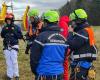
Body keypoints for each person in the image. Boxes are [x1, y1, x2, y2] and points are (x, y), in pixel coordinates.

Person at [30, 10, 69, 80]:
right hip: (59, 74)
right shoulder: (64, 39)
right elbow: (64, 57)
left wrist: (35, 71)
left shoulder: (41, 37)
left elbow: (34, 57)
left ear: (45, 22)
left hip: (43, 73)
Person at [68, 9, 97, 80]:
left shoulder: (83, 31)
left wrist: (70, 33)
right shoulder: (86, 29)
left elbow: (72, 45)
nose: (72, 23)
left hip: (80, 65)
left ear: (78, 21)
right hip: (84, 64)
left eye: (73, 21)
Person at [1, 13, 23, 80]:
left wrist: (14, 32)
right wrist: (4, 31)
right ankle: (9, 75)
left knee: (14, 61)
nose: (8, 21)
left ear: (12, 20)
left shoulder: (17, 27)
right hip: (6, 46)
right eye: (7, 20)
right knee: (8, 61)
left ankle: (16, 75)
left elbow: (20, 36)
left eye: (9, 20)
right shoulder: (4, 27)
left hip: (14, 45)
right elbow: (2, 35)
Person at [59, 16, 70, 80]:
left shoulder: (60, 23)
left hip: (60, 46)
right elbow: (65, 35)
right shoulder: (64, 24)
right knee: (65, 66)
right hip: (64, 46)